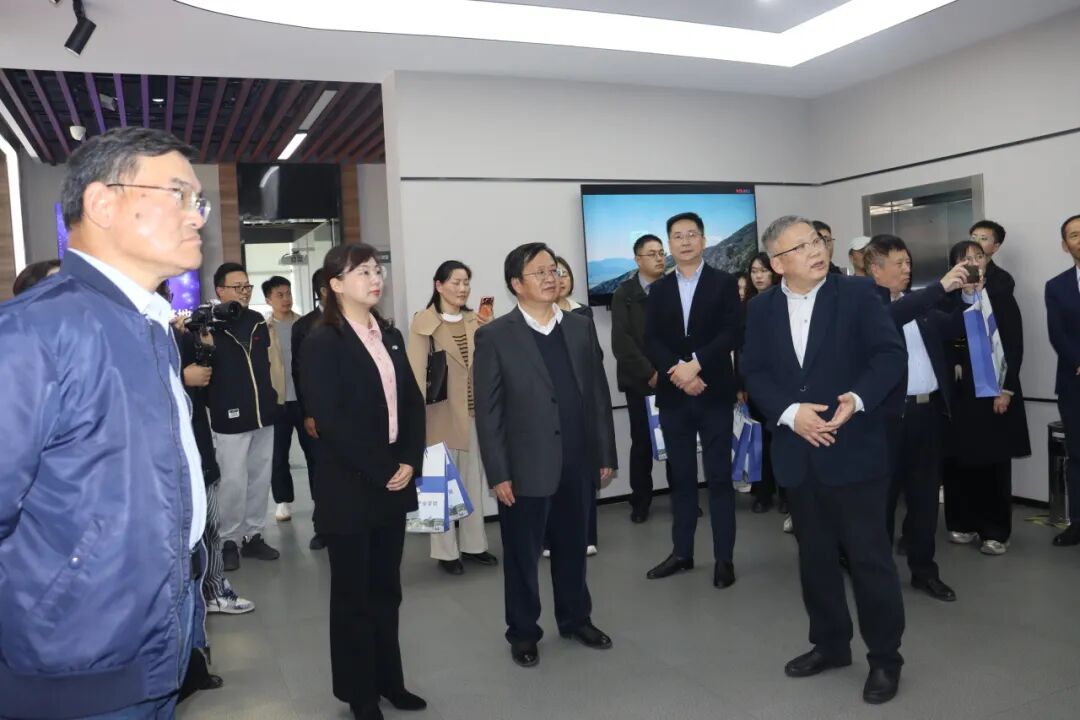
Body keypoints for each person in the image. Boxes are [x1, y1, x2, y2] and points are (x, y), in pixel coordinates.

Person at [0, 127, 209, 718]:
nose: (196, 215)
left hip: (156, 636)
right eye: (178, 194)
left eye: (199, 200)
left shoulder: (148, 325)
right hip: (77, 663)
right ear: (101, 203)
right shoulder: (33, 333)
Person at [741, 215, 907, 705]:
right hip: (798, 454)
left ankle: (885, 659)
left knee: (869, 559)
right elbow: (755, 371)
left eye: (816, 241)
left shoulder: (858, 294)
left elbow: (889, 356)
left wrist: (858, 397)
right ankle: (831, 645)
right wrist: (790, 414)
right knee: (814, 558)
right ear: (777, 263)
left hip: (854, 449)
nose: (815, 250)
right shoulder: (761, 308)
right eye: (800, 247)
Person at [474, 242, 617, 669]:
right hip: (525, 468)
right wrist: (499, 472)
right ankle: (523, 632)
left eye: (552, 269)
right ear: (516, 284)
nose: (551, 277)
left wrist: (604, 452)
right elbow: (489, 412)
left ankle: (575, 619)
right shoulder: (495, 335)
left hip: (577, 460)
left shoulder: (579, 326)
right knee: (522, 556)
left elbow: (597, 394)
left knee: (573, 548)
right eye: (539, 272)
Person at [300, 243, 427, 720]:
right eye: (362, 272)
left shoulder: (387, 334)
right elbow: (331, 420)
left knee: (386, 590)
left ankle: (390, 681)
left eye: (377, 271)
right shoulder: (322, 341)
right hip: (350, 485)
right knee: (353, 596)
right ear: (335, 284)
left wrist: (409, 459)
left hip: (392, 477)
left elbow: (411, 402)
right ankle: (360, 693)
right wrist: (384, 468)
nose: (375, 279)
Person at [864, 235, 971, 602]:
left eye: (909, 262)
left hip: (927, 415)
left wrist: (969, 297)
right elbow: (892, 317)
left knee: (925, 500)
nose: (907, 269)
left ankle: (924, 571)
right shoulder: (868, 308)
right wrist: (941, 287)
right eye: (899, 263)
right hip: (887, 420)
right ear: (875, 269)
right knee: (882, 502)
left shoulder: (920, 307)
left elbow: (954, 328)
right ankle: (877, 576)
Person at [644, 212, 741, 589]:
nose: (684, 242)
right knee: (681, 478)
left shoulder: (724, 283)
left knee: (719, 478)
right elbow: (651, 339)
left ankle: (724, 558)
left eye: (691, 235)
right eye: (677, 236)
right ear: (669, 243)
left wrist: (696, 365)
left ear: (703, 240)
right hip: (674, 396)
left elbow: (732, 332)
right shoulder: (659, 290)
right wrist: (679, 372)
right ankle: (682, 553)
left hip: (714, 392)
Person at [406, 260, 498, 575]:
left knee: (473, 482)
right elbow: (416, 373)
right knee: (439, 487)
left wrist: (490, 328)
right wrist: (415, 422)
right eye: (456, 282)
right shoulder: (423, 322)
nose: (462, 288)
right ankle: (445, 552)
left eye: (466, 282)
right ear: (439, 285)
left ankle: (474, 545)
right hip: (438, 415)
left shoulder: (477, 320)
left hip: (474, 416)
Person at [942, 240, 1030, 555]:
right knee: (958, 461)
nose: (973, 262)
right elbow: (942, 341)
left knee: (993, 464)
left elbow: (1015, 346)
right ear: (954, 265)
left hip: (994, 394)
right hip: (959, 396)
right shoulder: (946, 300)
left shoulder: (1001, 297)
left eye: (978, 256)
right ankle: (962, 522)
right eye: (965, 258)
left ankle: (995, 532)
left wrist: (1007, 389)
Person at [207, 262, 281, 570]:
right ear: (220, 290)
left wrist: (274, 398)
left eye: (247, 286)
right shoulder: (209, 325)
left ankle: (254, 535)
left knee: (260, 477)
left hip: (263, 413)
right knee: (233, 481)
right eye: (237, 287)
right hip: (229, 415)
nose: (244, 292)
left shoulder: (256, 321)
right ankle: (228, 541)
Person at [611, 233, 669, 523]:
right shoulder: (624, 293)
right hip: (640, 382)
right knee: (642, 443)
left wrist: (670, 371)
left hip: (674, 379)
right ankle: (641, 501)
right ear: (638, 260)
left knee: (677, 440)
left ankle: (683, 496)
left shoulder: (674, 287)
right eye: (652, 253)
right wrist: (650, 373)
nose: (659, 258)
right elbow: (622, 343)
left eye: (661, 252)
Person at [551, 255, 599, 555]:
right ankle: (551, 538)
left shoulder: (582, 313)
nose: (559, 279)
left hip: (581, 402)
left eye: (563, 273)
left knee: (583, 473)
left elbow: (594, 358)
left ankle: (587, 536)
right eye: (553, 273)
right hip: (550, 406)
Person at [262, 275, 308, 524]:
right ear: (268, 299)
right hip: (278, 401)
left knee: (315, 453)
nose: (286, 299)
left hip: (305, 400)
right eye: (279, 295)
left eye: (288, 293)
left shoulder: (306, 324)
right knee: (278, 455)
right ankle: (282, 501)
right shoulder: (263, 329)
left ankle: (322, 500)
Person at [1046, 213, 1080, 547]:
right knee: (1078, 456)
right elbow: (1057, 333)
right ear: (1065, 245)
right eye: (1074, 235)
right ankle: (1078, 523)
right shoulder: (1056, 286)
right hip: (1074, 382)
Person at [293, 268, 330, 550]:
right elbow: (300, 372)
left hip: (351, 411)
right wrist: (308, 413)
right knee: (320, 468)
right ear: (324, 291)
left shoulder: (358, 319)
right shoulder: (305, 326)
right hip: (318, 411)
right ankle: (323, 526)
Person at [969, 220, 1015, 296]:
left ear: (995, 247)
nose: (976, 242)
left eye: (983, 238)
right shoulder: (958, 270)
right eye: (973, 237)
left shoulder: (1002, 279)